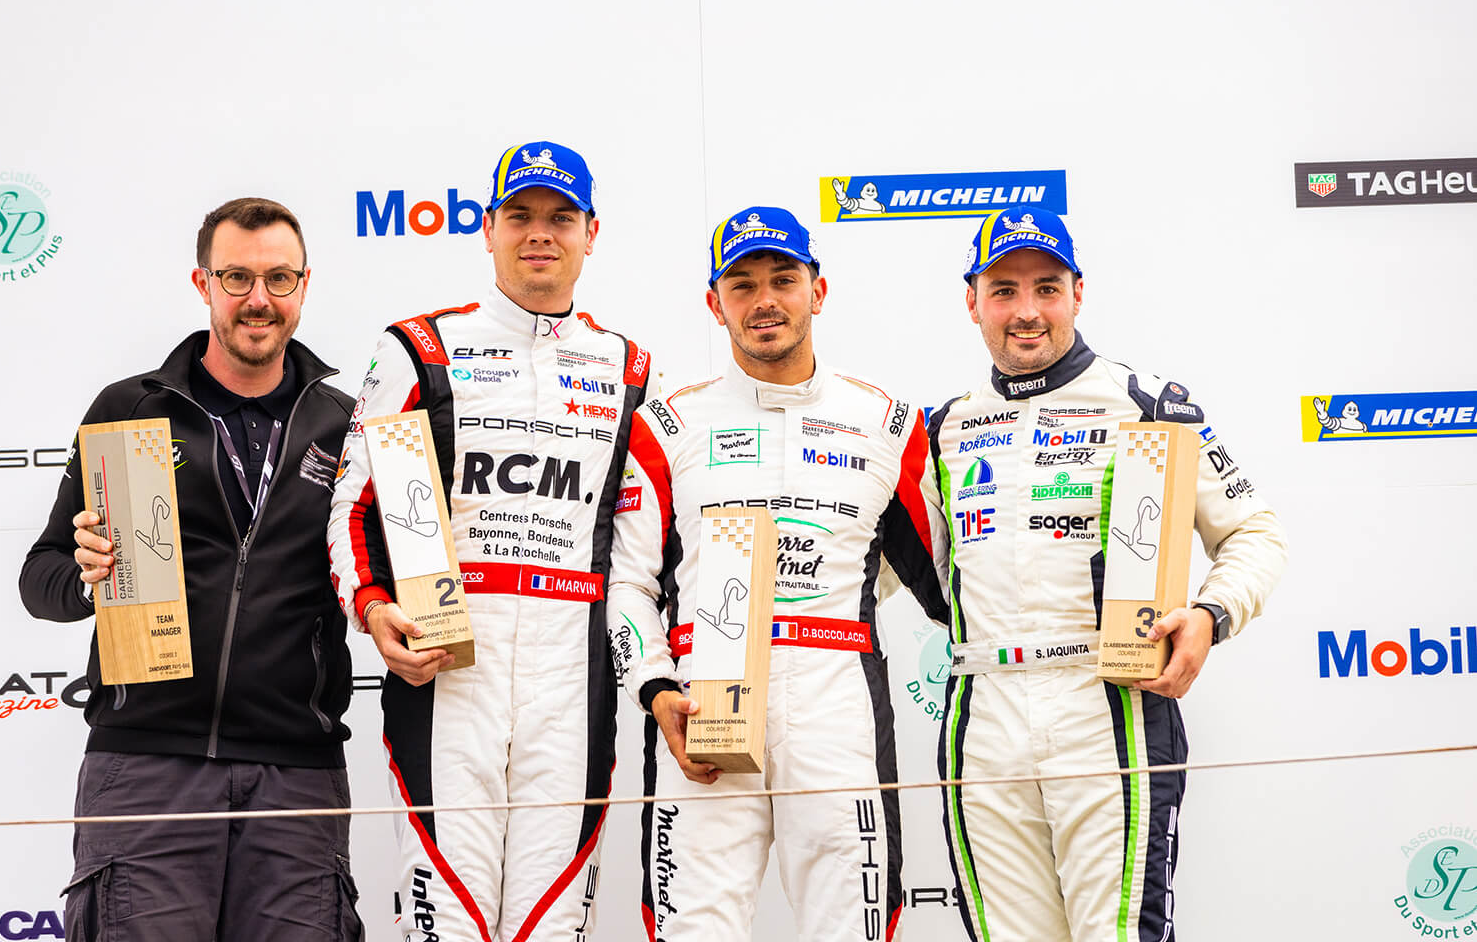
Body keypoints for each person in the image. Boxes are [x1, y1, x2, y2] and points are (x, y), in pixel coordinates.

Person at [926, 205, 1288, 942]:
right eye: (1003, 291)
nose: (1027, 312)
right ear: (972, 302)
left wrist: (1211, 615)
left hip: (1108, 705)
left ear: (1078, 293)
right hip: (983, 716)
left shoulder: (1147, 403)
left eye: (1046, 288)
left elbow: (1254, 531)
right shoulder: (943, 428)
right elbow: (884, 569)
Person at [326, 141, 651, 942]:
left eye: (560, 217)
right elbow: (355, 505)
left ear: (591, 233)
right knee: (448, 920)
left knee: (552, 923)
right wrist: (373, 610)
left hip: (572, 680)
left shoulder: (628, 369)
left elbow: (643, 549)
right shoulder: (420, 347)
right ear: (487, 229)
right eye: (520, 215)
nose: (540, 233)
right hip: (449, 667)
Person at [18, 197, 361, 941]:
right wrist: (86, 576)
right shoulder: (131, 409)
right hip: (146, 766)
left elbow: (380, 573)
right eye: (236, 277)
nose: (258, 299)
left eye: (278, 278)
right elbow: (39, 579)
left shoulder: (349, 425)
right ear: (203, 282)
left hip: (296, 776)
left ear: (305, 285)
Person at [606, 206, 947, 940]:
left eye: (783, 279)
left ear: (817, 291)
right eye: (743, 284)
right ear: (715, 304)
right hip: (703, 705)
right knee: (694, 931)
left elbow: (947, 583)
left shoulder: (889, 422)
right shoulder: (666, 423)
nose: (764, 300)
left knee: (850, 928)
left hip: (837, 708)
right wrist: (656, 690)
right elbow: (628, 582)